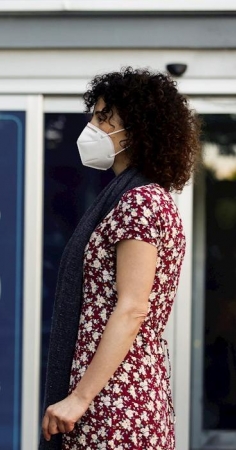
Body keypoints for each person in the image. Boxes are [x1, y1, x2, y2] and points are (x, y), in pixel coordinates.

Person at [40, 67, 201, 449]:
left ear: (136, 130)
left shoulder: (140, 201)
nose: (92, 127)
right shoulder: (137, 198)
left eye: (102, 117)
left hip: (116, 400)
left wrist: (79, 398)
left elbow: (132, 308)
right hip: (117, 392)